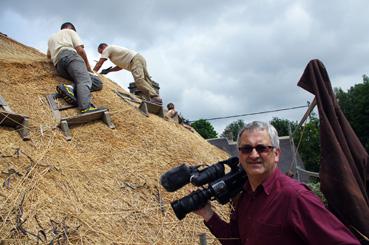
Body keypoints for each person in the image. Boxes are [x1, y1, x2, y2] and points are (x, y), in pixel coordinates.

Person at [193, 121, 360, 244]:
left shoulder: (295, 197)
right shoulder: (244, 197)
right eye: (246, 149)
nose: (253, 155)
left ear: (277, 154)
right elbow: (237, 240)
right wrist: (208, 214)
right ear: (240, 154)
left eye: (261, 148)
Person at [47, 22, 100, 113]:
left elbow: (48, 56)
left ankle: (70, 88)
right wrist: (87, 66)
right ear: (71, 29)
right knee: (85, 80)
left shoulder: (51, 38)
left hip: (59, 66)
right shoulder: (70, 32)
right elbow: (80, 50)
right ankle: (85, 107)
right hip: (70, 57)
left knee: (97, 82)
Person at [93, 43, 162, 104]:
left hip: (134, 60)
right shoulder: (115, 53)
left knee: (139, 80)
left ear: (102, 47)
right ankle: (153, 100)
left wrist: (93, 72)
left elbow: (100, 63)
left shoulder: (108, 48)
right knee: (145, 80)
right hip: (138, 58)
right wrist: (109, 70)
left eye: (101, 52)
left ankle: (155, 98)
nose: (102, 54)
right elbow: (119, 67)